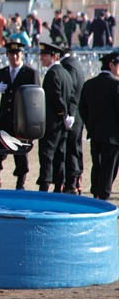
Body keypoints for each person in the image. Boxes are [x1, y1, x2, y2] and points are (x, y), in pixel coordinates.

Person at [0, 41, 38, 189]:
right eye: (11, 54)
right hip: (4, 117)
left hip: (20, 119)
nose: (14, 57)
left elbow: (35, 98)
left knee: (20, 151)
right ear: (7, 55)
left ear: (22, 55)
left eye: (17, 54)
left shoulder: (30, 73)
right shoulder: (3, 72)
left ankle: (20, 182)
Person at [78, 51, 119, 200]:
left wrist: (90, 125)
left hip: (95, 134)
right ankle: (104, 196)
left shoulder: (89, 84)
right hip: (113, 136)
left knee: (97, 165)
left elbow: (82, 109)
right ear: (111, 65)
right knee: (109, 169)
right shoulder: (116, 85)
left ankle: (96, 193)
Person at [36, 42, 75, 193]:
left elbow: (56, 98)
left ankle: (44, 186)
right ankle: (59, 185)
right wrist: (69, 116)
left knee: (47, 155)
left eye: (45, 56)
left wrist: (64, 114)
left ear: (54, 56)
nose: (42, 59)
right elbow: (72, 97)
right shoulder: (65, 72)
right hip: (63, 124)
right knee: (60, 155)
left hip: (53, 123)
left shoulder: (52, 74)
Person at [60, 47, 85, 194]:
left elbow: (70, 91)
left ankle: (72, 183)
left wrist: (68, 113)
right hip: (77, 115)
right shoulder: (74, 62)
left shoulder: (68, 65)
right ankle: (76, 180)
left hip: (72, 116)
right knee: (75, 148)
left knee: (71, 149)